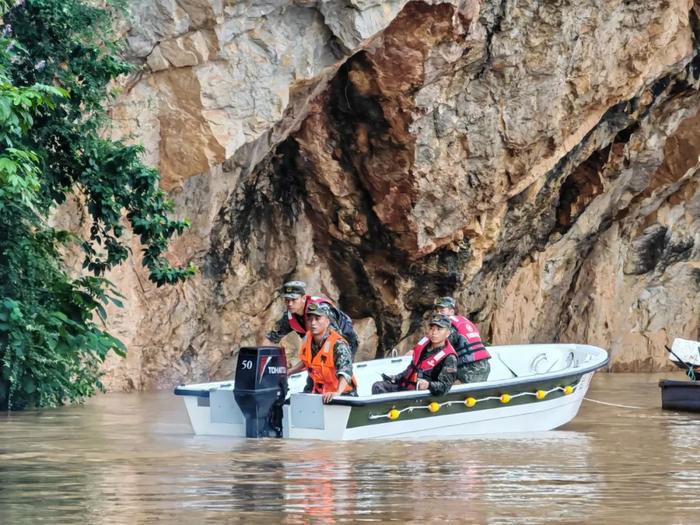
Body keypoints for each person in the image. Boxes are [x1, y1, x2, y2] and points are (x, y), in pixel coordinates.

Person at [262, 280, 360, 357]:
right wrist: (260, 357)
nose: (290, 304)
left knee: (334, 374)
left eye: (294, 300)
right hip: (317, 347)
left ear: (303, 298)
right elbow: (271, 338)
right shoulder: (289, 317)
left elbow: (334, 339)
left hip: (343, 342)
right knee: (314, 376)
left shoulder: (320, 309)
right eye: (287, 300)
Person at [285, 302, 357, 403]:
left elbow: (345, 371)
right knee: (289, 403)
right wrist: (290, 371)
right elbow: (307, 361)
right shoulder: (308, 338)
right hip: (319, 393)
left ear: (327, 321)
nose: (313, 323)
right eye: (310, 319)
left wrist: (337, 393)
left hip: (342, 396)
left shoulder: (338, 344)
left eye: (317, 319)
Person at [372, 314, 458, 396]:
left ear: (448, 333)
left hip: (420, 395)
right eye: (432, 328)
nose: (434, 332)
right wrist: (396, 377)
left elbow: (445, 387)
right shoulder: (425, 346)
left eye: (439, 329)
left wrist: (429, 385)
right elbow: (412, 368)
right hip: (406, 387)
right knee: (378, 386)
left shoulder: (450, 357)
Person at [433, 296, 490, 383]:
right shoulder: (465, 322)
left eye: (442, 310)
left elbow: (439, 348)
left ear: (451, 311)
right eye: (437, 311)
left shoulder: (450, 326)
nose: (438, 313)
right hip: (484, 367)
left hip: (469, 370)